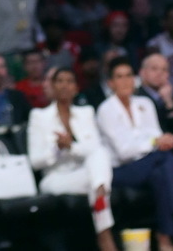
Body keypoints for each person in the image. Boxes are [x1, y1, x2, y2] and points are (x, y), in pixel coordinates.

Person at [96, 55, 173, 251]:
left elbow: (154, 135)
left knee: (159, 174)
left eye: (129, 75)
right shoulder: (106, 110)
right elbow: (124, 151)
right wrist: (155, 142)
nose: (126, 81)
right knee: (163, 158)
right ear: (111, 83)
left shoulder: (144, 103)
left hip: (149, 165)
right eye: (119, 77)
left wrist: (160, 141)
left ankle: (164, 239)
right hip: (121, 171)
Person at [28, 67, 118, 251]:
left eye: (69, 81)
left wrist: (71, 147)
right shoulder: (39, 116)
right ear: (52, 87)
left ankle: (103, 232)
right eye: (59, 81)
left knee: (100, 154)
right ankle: (105, 234)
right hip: (55, 178)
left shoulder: (86, 113)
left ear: (76, 88)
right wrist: (57, 150)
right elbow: (35, 161)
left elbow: (93, 149)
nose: (64, 85)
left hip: (84, 174)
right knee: (97, 178)